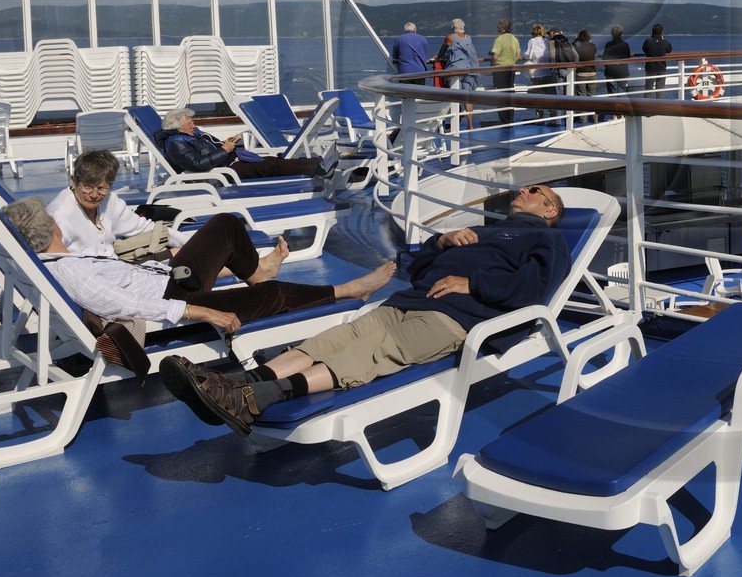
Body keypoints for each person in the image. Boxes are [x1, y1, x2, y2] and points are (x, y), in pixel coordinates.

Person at [159, 184, 569, 436]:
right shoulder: (482, 230)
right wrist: (440, 243)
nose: (524, 192)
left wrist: (472, 283)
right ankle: (235, 384)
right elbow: (412, 265)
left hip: (459, 317)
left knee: (366, 355)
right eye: (526, 188)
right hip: (409, 300)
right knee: (329, 340)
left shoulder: (548, 242)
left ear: (549, 212)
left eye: (537, 193)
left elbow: (533, 290)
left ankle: (253, 398)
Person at [2, 196, 392, 333]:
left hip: (169, 279)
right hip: (175, 297)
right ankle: (349, 290)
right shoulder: (68, 269)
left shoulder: (66, 257)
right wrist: (201, 311)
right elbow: (118, 305)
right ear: (48, 228)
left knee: (224, 224)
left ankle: (257, 272)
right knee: (273, 295)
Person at [49, 149, 194, 257]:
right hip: (90, 280)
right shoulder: (60, 215)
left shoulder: (110, 201)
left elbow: (146, 228)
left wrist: (196, 246)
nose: (94, 195)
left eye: (101, 188)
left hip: (116, 268)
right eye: (87, 186)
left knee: (182, 256)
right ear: (74, 181)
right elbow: (58, 262)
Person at [156, 107, 330, 181]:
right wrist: (224, 150)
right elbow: (197, 164)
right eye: (190, 123)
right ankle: (319, 167)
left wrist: (224, 145)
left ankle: (320, 165)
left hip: (228, 162)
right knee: (272, 167)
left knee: (271, 161)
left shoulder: (188, 136)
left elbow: (203, 152)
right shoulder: (176, 144)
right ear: (179, 127)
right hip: (224, 172)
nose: (193, 125)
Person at [439, 18, 480, 128]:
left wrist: (438, 58)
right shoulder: (468, 38)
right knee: (467, 97)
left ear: (453, 27)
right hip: (469, 70)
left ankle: (455, 125)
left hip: (456, 70)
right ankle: (470, 124)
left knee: (456, 97)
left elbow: (443, 51)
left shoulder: (450, 37)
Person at [489, 18, 520, 126]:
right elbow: (518, 56)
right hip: (511, 69)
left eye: (498, 25)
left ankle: (504, 120)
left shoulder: (499, 39)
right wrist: (510, 61)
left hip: (500, 70)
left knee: (501, 95)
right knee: (509, 93)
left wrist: (492, 66)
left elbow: (495, 56)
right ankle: (510, 119)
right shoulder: (514, 39)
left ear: (502, 27)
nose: (497, 27)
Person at [641, 23, 672, 96]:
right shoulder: (665, 42)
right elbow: (669, 50)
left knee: (648, 90)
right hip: (661, 68)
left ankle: (647, 106)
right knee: (660, 91)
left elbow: (644, 49)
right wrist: (663, 38)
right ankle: (659, 106)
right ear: (662, 32)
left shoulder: (648, 41)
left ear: (652, 32)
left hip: (650, 68)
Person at [602, 24, 631, 97]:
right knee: (622, 92)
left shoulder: (608, 44)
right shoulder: (625, 44)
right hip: (622, 72)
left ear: (612, 34)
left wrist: (608, 66)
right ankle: (621, 107)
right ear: (621, 34)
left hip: (611, 72)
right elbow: (627, 57)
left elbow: (604, 58)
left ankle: (613, 107)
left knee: (612, 94)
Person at [573, 28, 598, 99]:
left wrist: (575, 41)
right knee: (592, 95)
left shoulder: (578, 49)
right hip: (592, 73)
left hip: (581, 73)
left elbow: (572, 46)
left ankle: (583, 110)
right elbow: (591, 45)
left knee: (581, 95)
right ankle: (592, 109)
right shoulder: (593, 47)